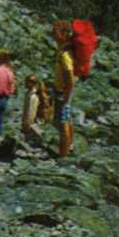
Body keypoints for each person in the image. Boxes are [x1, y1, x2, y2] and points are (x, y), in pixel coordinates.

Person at [51, 20, 77, 157]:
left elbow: (70, 78)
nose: (53, 35)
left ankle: (64, 154)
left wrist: (66, 97)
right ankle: (69, 148)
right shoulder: (64, 51)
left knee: (63, 123)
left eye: (55, 32)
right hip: (63, 91)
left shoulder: (65, 55)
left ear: (65, 34)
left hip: (62, 92)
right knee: (67, 120)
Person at [20, 74, 46, 139]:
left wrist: (26, 124)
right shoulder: (29, 93)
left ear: (31, 83)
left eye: (26, 82)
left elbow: (31, 112)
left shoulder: (33, 96)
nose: (25, 84)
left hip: (30, 124)